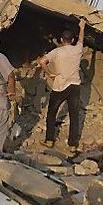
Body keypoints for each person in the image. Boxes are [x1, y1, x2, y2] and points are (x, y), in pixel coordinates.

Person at [39, 18, 86, 156]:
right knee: (74, 115)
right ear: (72, 40)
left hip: (59, 86)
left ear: (61, 40)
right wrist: (82, 27)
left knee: (52, 113)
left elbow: (42, 61)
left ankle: (49, 140)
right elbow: (81, 40)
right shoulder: (77, 50)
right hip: (75, 86)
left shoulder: (56, 52)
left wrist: (50, 73)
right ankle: (72, 146)